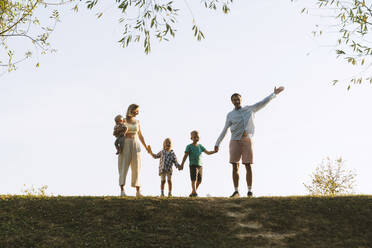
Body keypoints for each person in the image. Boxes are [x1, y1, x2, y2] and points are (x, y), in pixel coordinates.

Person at [214, 86, 285, 198]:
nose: (236, 101)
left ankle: (249, 191)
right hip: (234, 141)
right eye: (234, 99)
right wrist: (217, 143)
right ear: (232, 102)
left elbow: (263, 102)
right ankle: (236, 191)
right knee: (235, 166)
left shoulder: (250, 109)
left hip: (247, 140)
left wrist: (274, 94)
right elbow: (224, 130)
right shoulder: (230, 115)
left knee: (248, 165)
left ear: (241, 100)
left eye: (238, 99)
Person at [118, 104, 150, 197]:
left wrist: (146, 147)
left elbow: (140, 135)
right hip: (126, 143)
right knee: (124, 165)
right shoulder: (123, 120)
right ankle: (122, 190)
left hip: (136, 144)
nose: (138, 112)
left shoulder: (137, 121)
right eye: (136, 110)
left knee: (136, 166)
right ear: (131, 110)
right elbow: (118, 132)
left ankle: (138, 190)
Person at [180, 130, 217, 197]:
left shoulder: (200, 146)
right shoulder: (189, 146)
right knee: (194, 179)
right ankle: (194, 191)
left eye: (197, 137)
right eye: (194, 137)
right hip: (193, 165)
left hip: (200, 165)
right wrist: (182, 164)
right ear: (191, 138)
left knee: (199, 180)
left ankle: (193, 192)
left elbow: (208, 152)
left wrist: (214, 151)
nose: (196, 138)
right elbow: (185, 156)